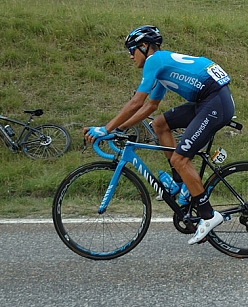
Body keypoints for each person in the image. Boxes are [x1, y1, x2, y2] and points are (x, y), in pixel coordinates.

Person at [83, 25, 235, 245]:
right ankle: (179, 182)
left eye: (131, 50)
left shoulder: (155, 61)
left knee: (180, 158)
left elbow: (137, 102)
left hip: (215, 102)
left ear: (144, 47)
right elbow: (151, 106)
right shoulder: (163, 67)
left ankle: (209, 215)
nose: (130, 56)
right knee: (160, 124)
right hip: (210, 99)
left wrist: (105, 129)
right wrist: (120, 128)